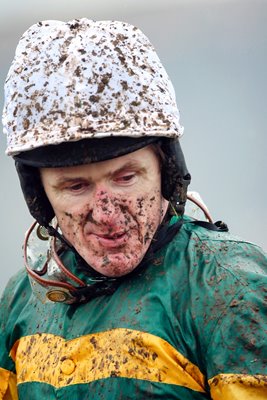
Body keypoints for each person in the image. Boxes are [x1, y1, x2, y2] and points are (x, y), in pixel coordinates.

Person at [0, 18, 266, 400]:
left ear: (166, 170)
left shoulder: (230, 290)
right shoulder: (21, 301)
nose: (107, 215)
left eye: (126, 178)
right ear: (39, 196)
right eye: (76, 186)